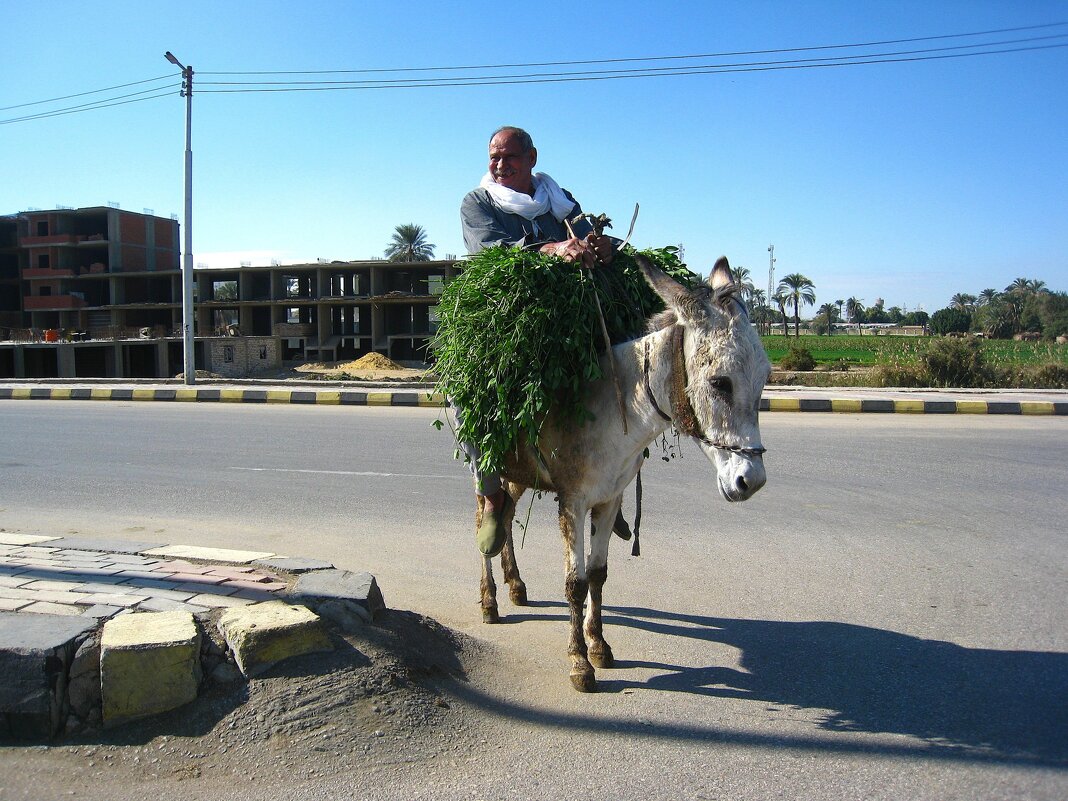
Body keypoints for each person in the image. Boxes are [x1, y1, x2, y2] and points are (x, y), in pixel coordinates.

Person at [459, 126, 619, 557]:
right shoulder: (478, 203)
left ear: (532, 157)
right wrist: (553, 249)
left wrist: (602, 247)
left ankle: (613, 483)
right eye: (494, 157)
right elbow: (491, 251)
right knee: (469, 394)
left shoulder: (560, 198)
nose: (500, 164)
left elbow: (584, 232)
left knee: (627, 369)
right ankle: (492, 493)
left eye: (510, 157)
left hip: (570, 314)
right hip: (507, 318)